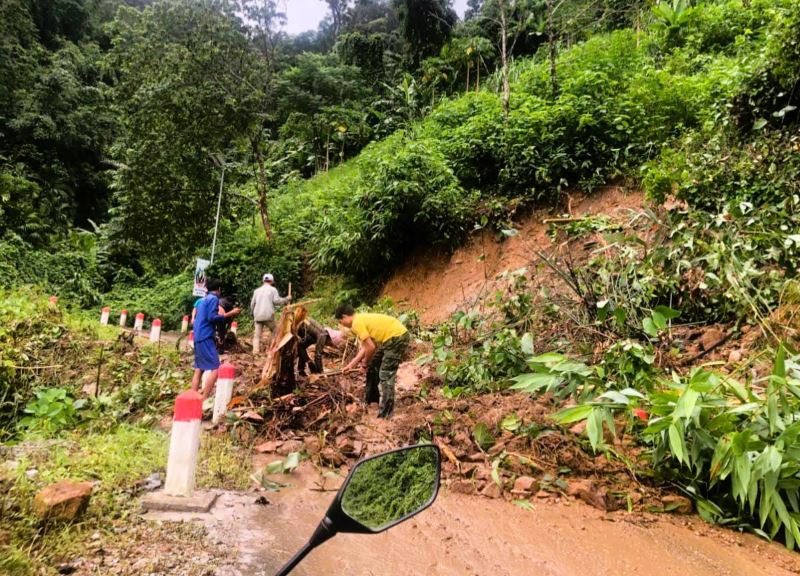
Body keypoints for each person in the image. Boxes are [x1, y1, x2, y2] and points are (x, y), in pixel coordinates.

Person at [337, 304, 410, 418]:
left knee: (385, 374)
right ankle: (372, 401)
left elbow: (371, 347)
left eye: (341, 321)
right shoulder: (360, 319)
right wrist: (351, 365)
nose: (342, 325)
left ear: (345, 316)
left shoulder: (356, 323)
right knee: (374, 365)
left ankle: (386, 414)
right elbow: (366, 347)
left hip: (396, 337)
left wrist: (364, 364)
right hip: (392, 337)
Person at [191, 279, 241, 399]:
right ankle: (204, 399)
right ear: (219, 289)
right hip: (205, 336)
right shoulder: (213, 299)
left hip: (198, 335)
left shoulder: (202, 300)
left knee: (199, 368)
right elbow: (212, 317)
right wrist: (231, 313)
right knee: (215, 368)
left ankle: (193, 396)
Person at [250, 273, 290, 353]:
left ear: (263, 280)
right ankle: (271, 348)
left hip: (257, 315)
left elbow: (252, 304)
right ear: (271, 281)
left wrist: (252, 314)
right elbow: (276, 301)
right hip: (268, 315)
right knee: (275, 331)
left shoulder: (256, 291)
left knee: (257, 335)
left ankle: (255, 352)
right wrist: (286, 299)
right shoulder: (273, 290)